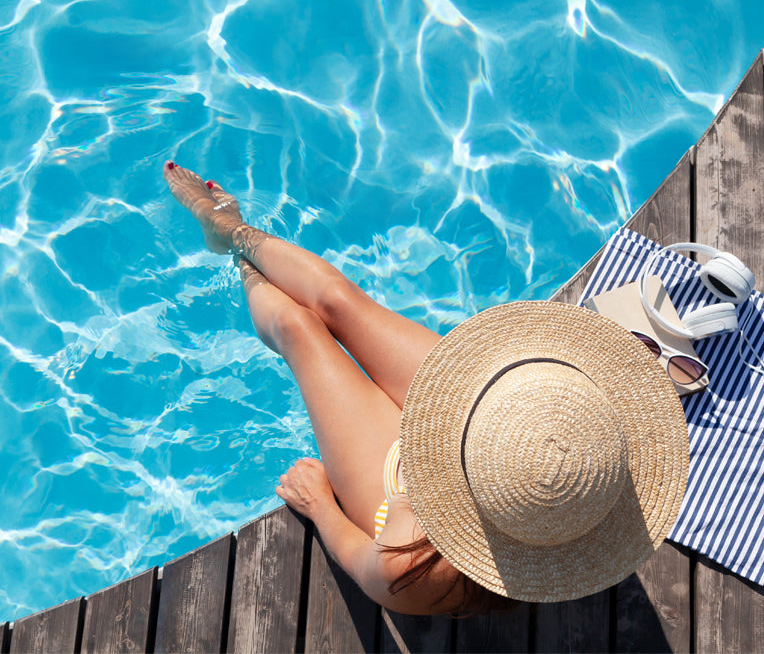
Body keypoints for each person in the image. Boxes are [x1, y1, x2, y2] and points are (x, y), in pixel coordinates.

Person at [163, 161, 690, 615]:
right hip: (488, 412)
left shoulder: (421, 567)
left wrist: (321, 505)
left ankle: (236, 256)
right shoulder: (595, 459)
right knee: (341, 302)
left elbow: (364, 564)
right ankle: (230, 231)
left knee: (301, 331)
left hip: (410, 493)